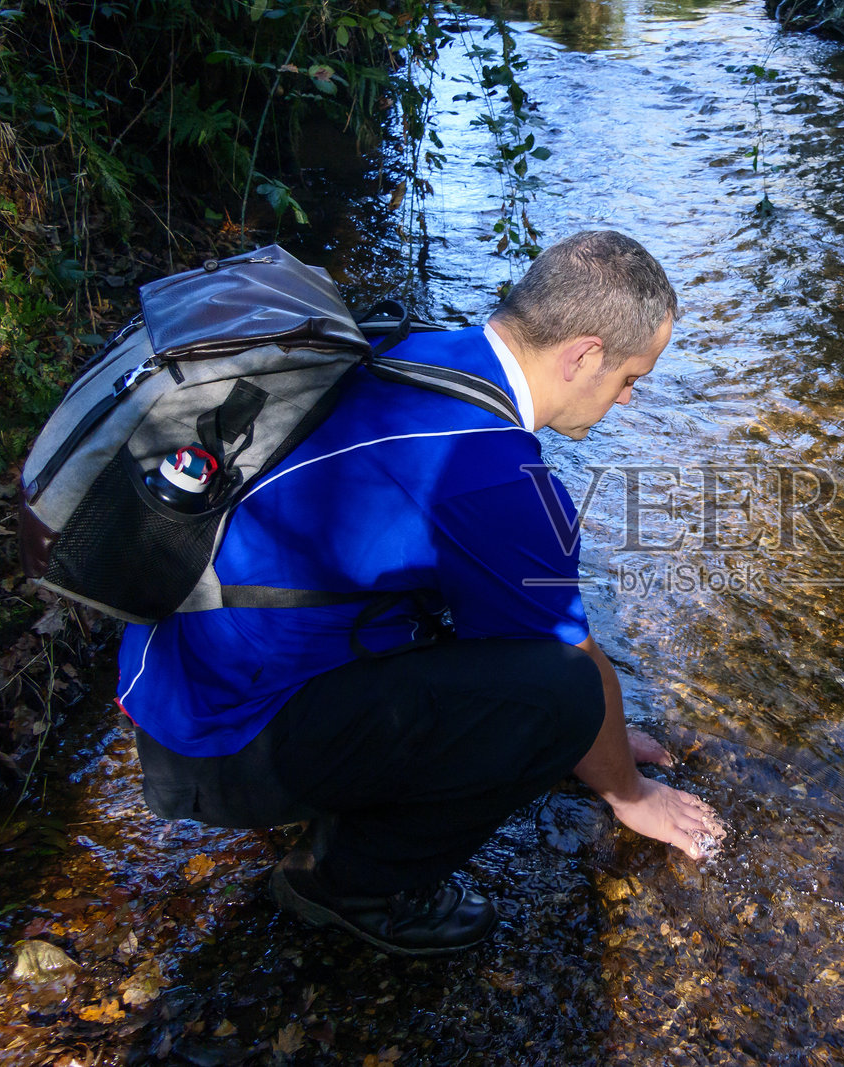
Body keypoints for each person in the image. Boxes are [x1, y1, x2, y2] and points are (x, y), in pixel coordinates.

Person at [116, 230, 725, 956]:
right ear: (584, 354)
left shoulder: (407, 346)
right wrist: (629, 790)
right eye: (631, 377)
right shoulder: (498, 475)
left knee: (511, 652)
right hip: (219, 751)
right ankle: (346, 883)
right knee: (561, 696)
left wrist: (605, 747)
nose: (627, 400)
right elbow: (571, 665)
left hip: (170, 682)